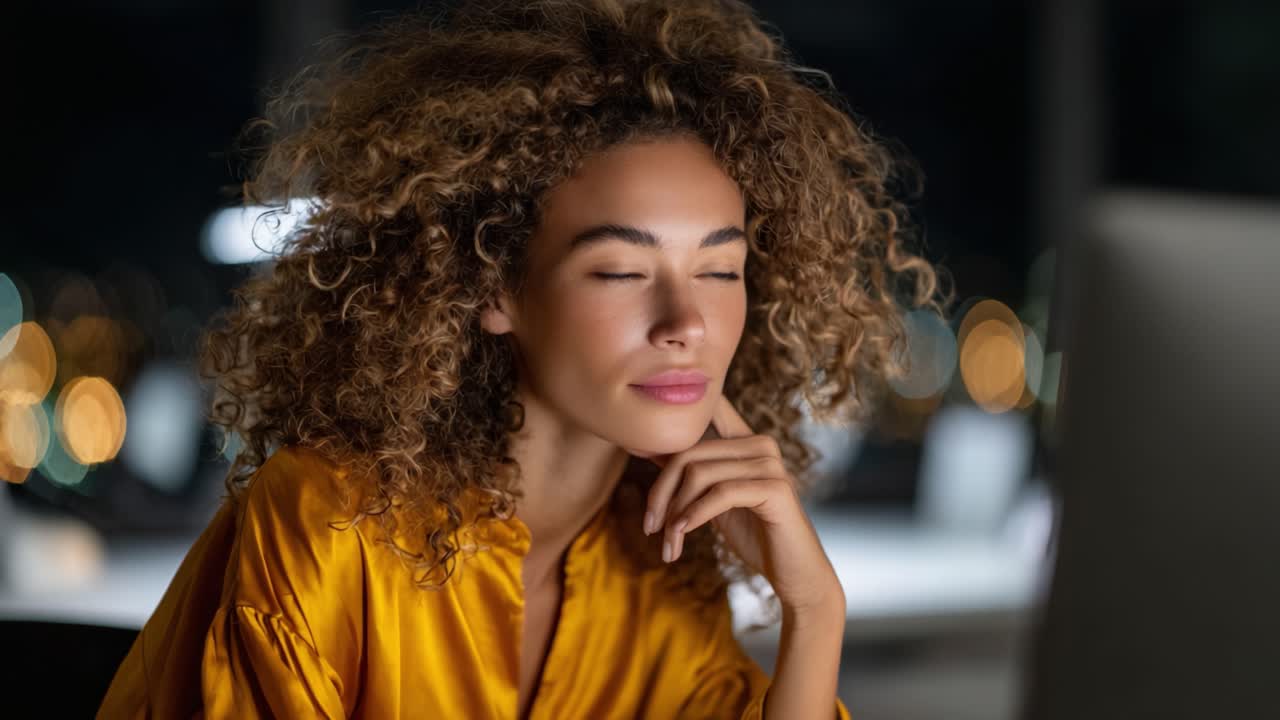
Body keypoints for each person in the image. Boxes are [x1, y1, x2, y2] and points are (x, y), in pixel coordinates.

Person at [98, 0, 943, 717]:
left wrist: (813, 609)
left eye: (721, 270)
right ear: (493, 290)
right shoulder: (328, 526)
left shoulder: (663, 570)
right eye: (619, 270)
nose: (687, 321)